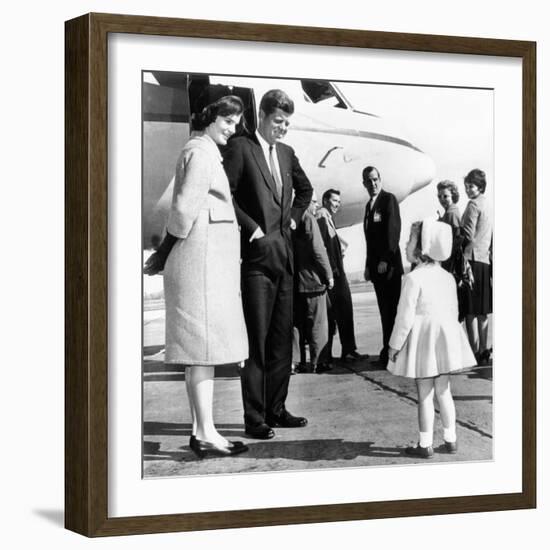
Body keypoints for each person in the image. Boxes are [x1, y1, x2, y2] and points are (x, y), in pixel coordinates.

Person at [145, 94, 249, 458]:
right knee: (202, 354)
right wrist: (163, 253)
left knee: (199, 355)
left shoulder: (202, 151)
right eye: (228, 121)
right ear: (211, 118)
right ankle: (205, 433)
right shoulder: (202, 153)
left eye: (235, 123)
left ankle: (202, 430)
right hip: (199, 269)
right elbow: (184, 208)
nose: (232, 129)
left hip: (201, 267)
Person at [224, 89, 313, 440]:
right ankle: (255, 417)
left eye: (288, 123)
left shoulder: (288, 154)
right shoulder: (241, 148)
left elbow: (304, 190)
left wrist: (292, 217)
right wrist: (253, 228)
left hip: (285, 260)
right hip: (257, 263)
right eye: (278, 121)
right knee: (257, 344)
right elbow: (225, 193)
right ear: (262, 115)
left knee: (280, 343)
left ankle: (277, 409)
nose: (283, 128)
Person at [387, 219, 476, 458]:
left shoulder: (413, 279)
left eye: (409, 241)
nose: (406, 245)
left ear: (420, 249)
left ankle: (424, 443)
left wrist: (394, 346)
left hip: (424, 343)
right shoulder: (447, 277)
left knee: (424, 393)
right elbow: (453, 311)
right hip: (445, 341)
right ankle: (451, 439)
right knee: (444, 390)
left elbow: (404, 317)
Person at [362, 166, 404, 367]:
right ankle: (388, 351)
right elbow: (370, 240)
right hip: (377, 270)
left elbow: (393, 232)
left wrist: (385, 260)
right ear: (364, 184)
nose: (373, 184)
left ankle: (395, 354)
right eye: (368, 181)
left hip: (389, 269)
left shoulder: (389, 200)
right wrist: (368, 265)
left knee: (393, 312)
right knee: (384, 312)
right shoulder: (369, 206)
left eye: (375, 179)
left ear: (380, 179)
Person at [317, 189, 362, 366]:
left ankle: (347, 350)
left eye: (338, 201)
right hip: (334, 274)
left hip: (336, 271)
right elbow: (321, 245)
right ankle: (342, 352)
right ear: (325, 201)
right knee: (340, 311)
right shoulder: (322, 216)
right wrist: (331, 270)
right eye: (334, 200)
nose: (337, 204)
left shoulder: (327, 217)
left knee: (342, 312)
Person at [293, 193, 334, 373]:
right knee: (318, 323)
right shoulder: (309, 218)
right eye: (314, 202)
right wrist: (329, 274)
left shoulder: (289, 217)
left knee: (297, 326)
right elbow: (318, 250)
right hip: (313, 282)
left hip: (295, 282)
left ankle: (294, 362)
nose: (316, 206)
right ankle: (319, 361)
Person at [461, 169, 493, 365]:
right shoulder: (488, 204)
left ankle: (473, 352)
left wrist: (462, 255)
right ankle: (483, 349)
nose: (467, 190)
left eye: (471, 186)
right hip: (485, 261)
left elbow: (468, 235)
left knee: (470, 311)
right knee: (483, 311)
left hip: (471, 260)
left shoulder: (473, 204)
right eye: (466, 186)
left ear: (479, 187)